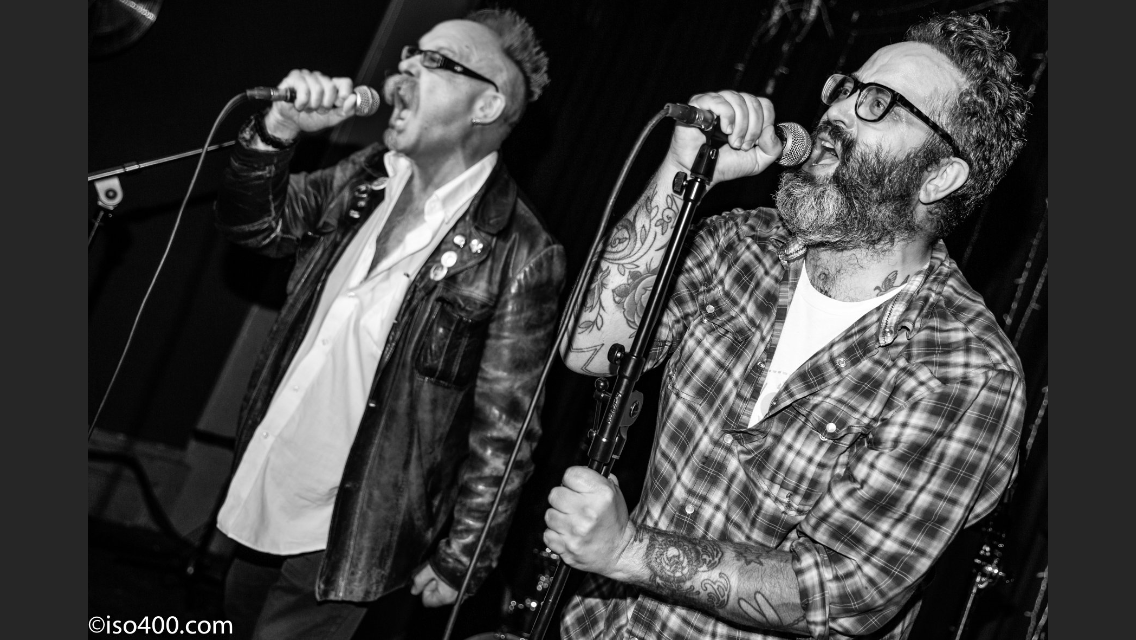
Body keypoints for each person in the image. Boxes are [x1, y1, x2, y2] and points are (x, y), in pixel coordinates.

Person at [544, 11, 1028, 640]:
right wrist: (683, 168)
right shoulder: (739, 244)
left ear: (938, 177)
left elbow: (843, 594)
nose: (839, 111)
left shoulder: (966, 373)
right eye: (847, 88)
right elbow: (589, 348)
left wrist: (626, 551)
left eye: (878, 104)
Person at [212, 9, 564, 640]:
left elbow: (505, 430)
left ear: (486, 105)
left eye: (434, 62)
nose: (403, 69)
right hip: (266, 489)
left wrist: (464, 556)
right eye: (410, 53)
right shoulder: (367, 178)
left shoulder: (521, 250)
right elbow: (254, 227)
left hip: (351, 532)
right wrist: (279, 129)